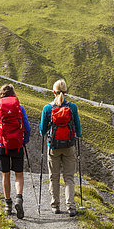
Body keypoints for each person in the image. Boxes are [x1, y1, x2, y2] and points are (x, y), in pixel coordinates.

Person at [39, 79, 82, 217]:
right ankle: (71, 207)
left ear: (54, 91)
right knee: (69, 177)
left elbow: (42, 130)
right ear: (66, 92)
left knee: (54, 177)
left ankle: (55, 205)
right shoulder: (72, 107)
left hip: (53, 147)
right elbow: (78, 129)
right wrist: (77, 135)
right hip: (69, 146)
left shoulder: (47, 108)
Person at [0, 84, 31, 218]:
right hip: (17, 145)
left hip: (2, 145)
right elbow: (27, 128)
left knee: (5, 175)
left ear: (0, 95)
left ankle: (8, 204)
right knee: (19, 174)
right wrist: (24, 141)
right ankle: (19, 198)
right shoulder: (20, 108)